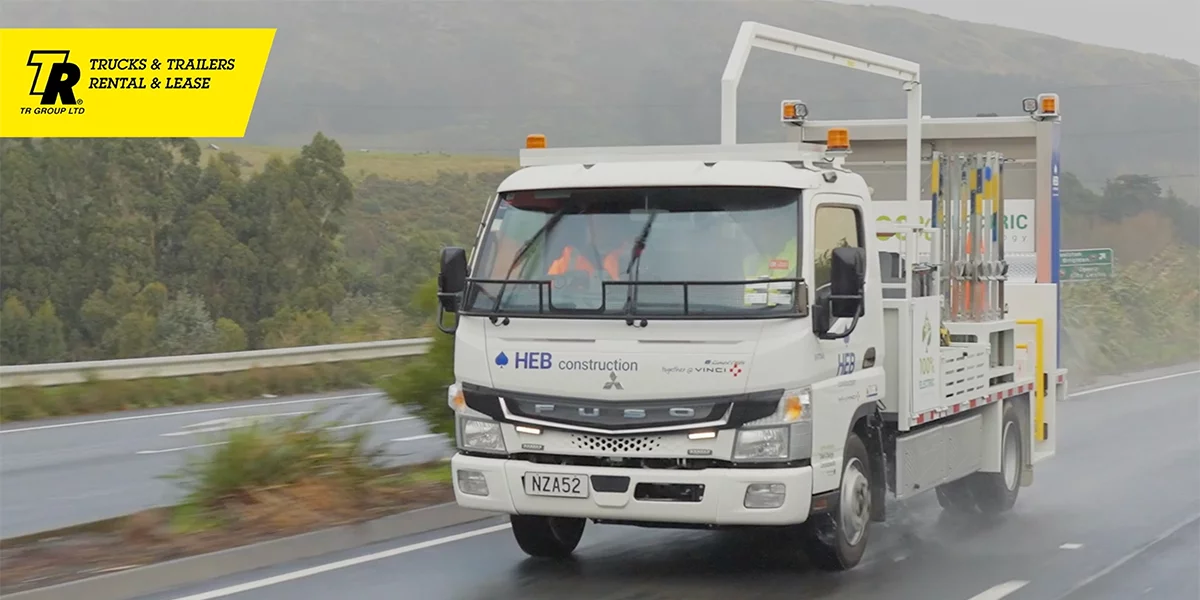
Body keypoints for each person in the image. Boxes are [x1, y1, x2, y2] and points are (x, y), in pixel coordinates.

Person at [742, 210, 798, 306]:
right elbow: (736, 296)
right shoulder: (750, 261)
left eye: (769, 227)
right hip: (748, 316)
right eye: (759, 228)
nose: (761, 233)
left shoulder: (802, 252)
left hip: (788, 316)